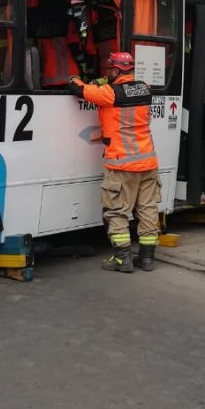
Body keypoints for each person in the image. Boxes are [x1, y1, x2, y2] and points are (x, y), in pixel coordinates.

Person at [68, 51, 160, 273]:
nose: (108, 73)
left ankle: (123, 259)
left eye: (110, 69)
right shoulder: (145, 88)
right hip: (148, 162)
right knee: (147, 210)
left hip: (122, 163)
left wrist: (73, 78)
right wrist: (104, 81)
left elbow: (80, 90)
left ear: (117, 70)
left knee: (117, 211)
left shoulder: (110, 94)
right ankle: (147, 259)